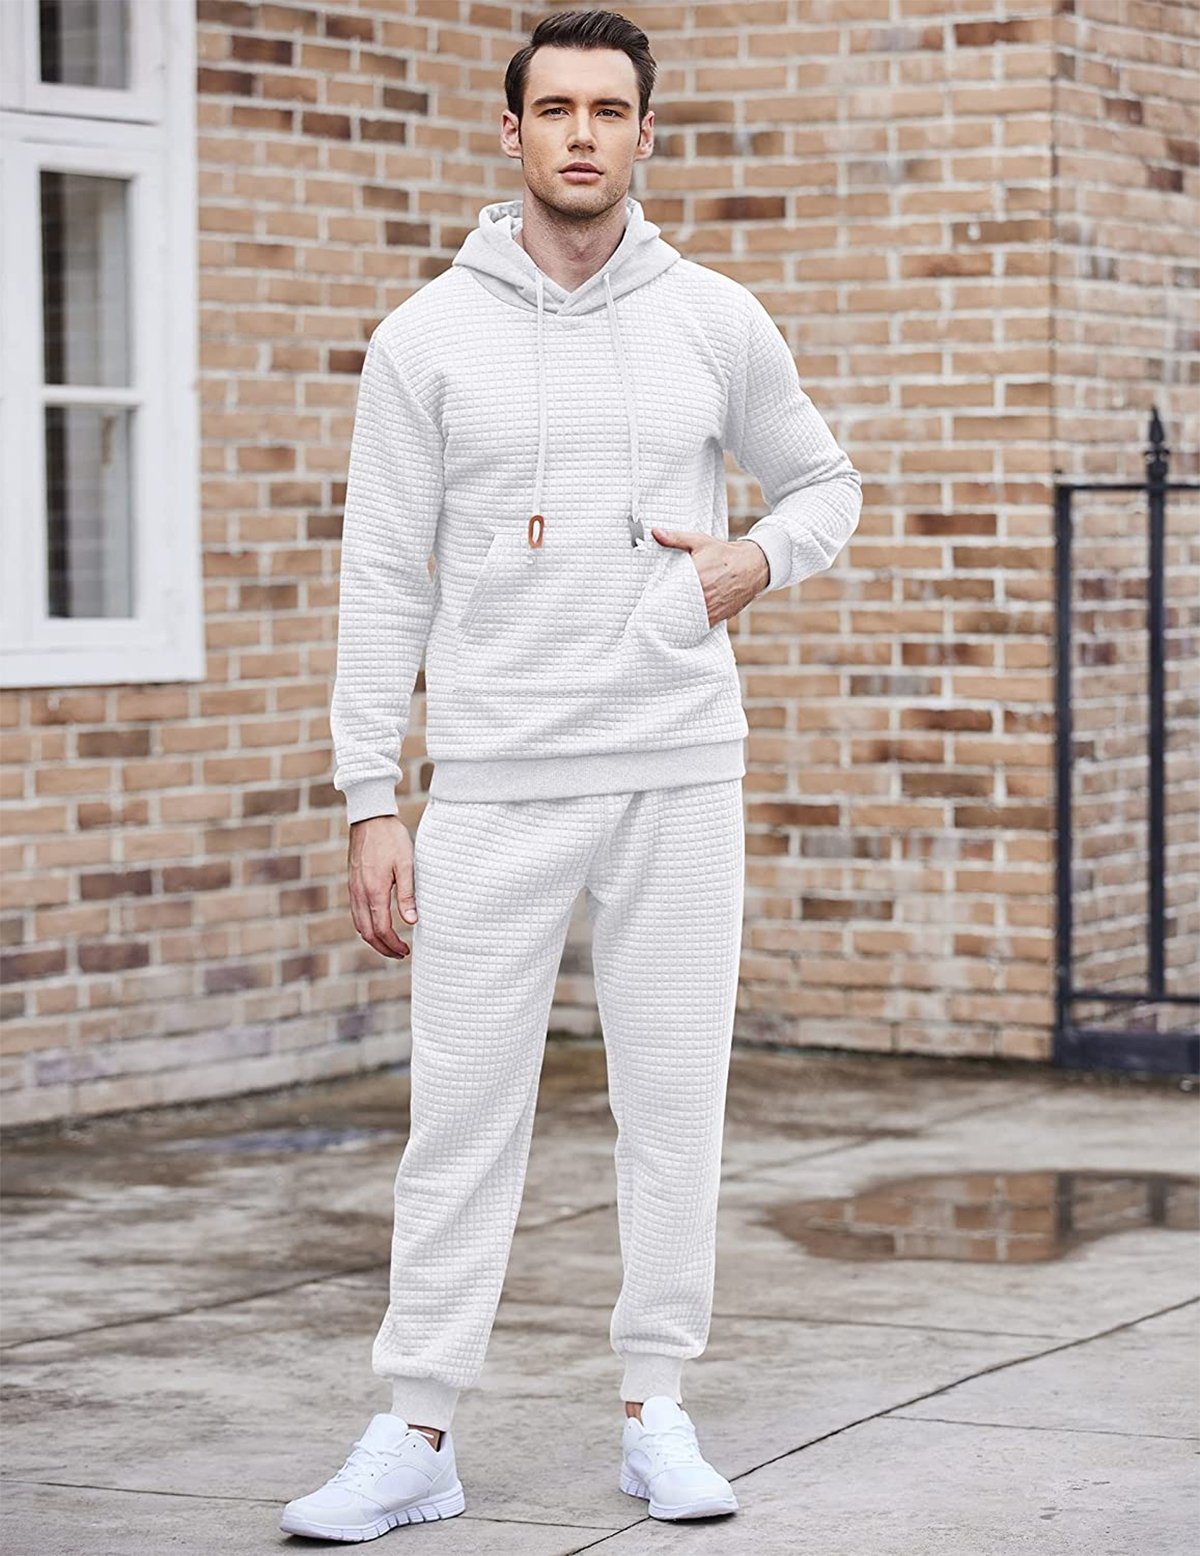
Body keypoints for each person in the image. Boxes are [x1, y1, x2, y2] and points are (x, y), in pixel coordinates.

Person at [280, 7, 862, 1542]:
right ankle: (417, 1430)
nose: (584, 134)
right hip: (495, 782)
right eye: (557, 109)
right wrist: (368, 797)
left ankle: (656, 1409)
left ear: (647, 134)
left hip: (678, 770)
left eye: (611, 110)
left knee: (674, 1104)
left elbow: (826, 484)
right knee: (460, 1113)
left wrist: (750, 560)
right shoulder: (424, 340)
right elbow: (379, 577)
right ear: (513, 131)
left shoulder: (714, 319)